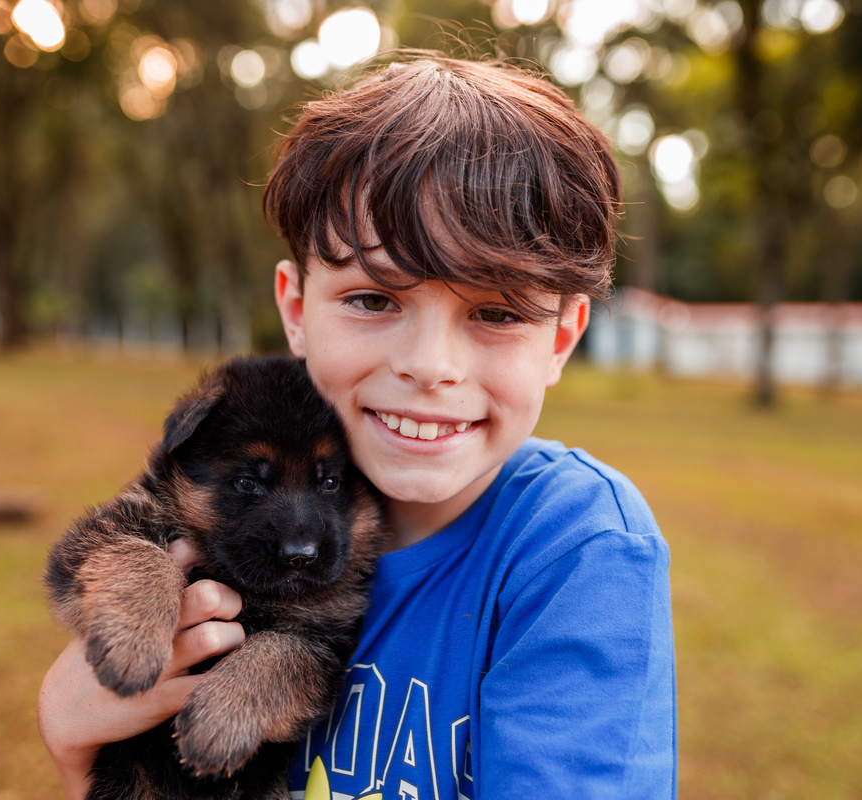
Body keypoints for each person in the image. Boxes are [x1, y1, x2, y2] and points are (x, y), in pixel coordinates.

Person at [38, 54, 676, 799]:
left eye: (497, 312)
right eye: (374, 298)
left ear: (562, 339)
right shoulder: (237, 474)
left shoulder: (575, 544)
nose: (430, 366)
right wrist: (73, 746)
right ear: (298, 309)